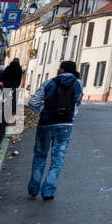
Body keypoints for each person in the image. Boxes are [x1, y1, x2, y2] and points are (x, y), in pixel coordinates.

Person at [26, 60, 83, 200]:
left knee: (40, 156)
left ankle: (33, 189)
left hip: (46, 123)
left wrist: (44, 110)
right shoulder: (78, 84)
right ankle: (48, 191)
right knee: (58, 158)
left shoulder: (49, 82)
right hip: (65, 125)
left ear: (62, 69)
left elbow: (32, 103)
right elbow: (77, 103)